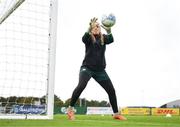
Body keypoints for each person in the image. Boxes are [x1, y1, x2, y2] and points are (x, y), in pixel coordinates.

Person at [67, 17, 127, 121]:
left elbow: (111, 39)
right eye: (94, 27)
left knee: (111, 90)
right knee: (81, 85)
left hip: (100, 71)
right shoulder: (89, 38)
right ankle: (70, 110)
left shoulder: (103, 37)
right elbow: (83, 39)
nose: (96, 28)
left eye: (98, 26)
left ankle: (116, 114)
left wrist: (109, 30)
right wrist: (88, 28)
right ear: (91, 29)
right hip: (87, 68)